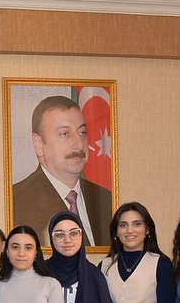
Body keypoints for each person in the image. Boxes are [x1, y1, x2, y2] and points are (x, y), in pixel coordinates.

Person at [11, 96, 111, 246]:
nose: (79, 145)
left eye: (82, 132)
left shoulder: (106, 199)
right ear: (38, 144)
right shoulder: (16, 202)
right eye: (65, 134)